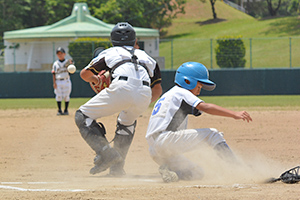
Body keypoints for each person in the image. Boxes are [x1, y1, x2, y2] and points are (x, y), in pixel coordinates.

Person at [75, 22, 162, 177]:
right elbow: (157, 90)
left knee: (82, 116)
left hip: (122, 86)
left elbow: (84, 74)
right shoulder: (147, 57)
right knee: (126, 123)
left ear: (113, 39)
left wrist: (96, 80)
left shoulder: (110, 52)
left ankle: (107, 154)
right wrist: (141, 101)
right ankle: (117, 169)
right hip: (144, 94)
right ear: (134, 39)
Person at [146, 62, 252, 183]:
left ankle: (170, 170)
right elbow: (205, 107)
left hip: (156, 149)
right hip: (166, 141)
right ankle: (238, 168)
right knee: (213, 134)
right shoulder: (181, 92)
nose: (199, 90)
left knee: (196, 172)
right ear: (187, 81)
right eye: (199, 86)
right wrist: (234, 114)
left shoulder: (170, 95)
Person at [51, 47, 73, 115]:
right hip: (58, 81)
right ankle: (59, 110)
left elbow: (72, 72)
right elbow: (53, 73)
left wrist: (71, 66)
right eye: (58, 53)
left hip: (66, 80)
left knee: (66, 96)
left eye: (61, 53)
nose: (60, 55)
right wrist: (54, 83)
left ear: (64, 54)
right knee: (58, 96)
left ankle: (66, 110)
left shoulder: (68, 62)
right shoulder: (55, 63)